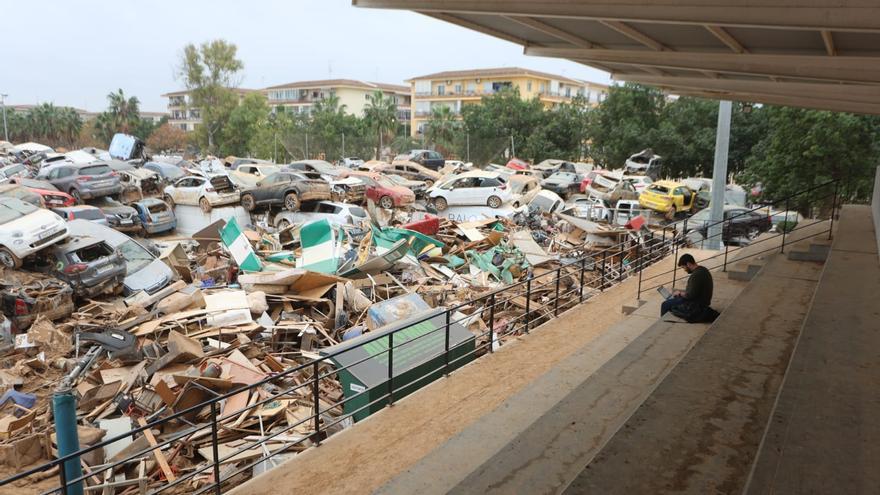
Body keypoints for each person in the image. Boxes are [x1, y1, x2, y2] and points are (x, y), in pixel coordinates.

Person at [660, 254, 714, 319]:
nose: (684, 269)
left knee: (665, 304)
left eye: (683, 267)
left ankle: (663, 323)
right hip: (703, 301)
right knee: (674, 298)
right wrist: (679, 291)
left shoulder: (695, 276)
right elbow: (694, 291)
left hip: (697, 305)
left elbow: (690, 295)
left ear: (688, 264)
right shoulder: (703, 269)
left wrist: (680, 293)